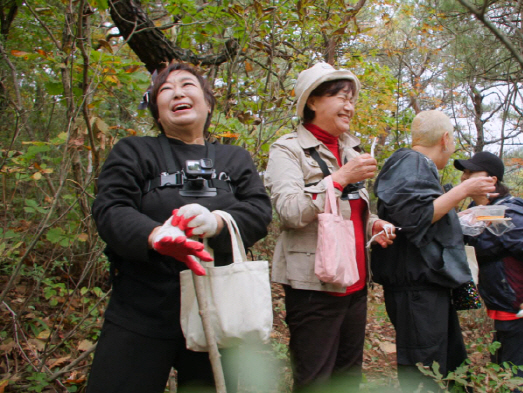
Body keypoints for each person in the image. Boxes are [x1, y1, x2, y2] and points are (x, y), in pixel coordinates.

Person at [88, 62, 272, 393]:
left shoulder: (235, 158)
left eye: (188, 85)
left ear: (208, 102)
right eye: (166, 89)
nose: (177, 92)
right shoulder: (133, 151)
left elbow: (259, 211)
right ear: (156, 109)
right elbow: (111, 207)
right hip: (141, 308)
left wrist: (217, 223)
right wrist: (155, 234)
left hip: (219, 312)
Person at [264, 62, 395, 392]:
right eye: (340, 96)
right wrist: (338, 178)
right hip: (314, 286)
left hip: (355, 282)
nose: (349, 105)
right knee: (315, 378)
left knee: (347, 377)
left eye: (351, 98)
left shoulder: (351, 148)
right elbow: (290, 211)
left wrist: (375, 223)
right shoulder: (287, 149)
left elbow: (349, 212)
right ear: (312, 101)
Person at [370, 110, 496, 391]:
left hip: (427, 290)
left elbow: (422, 217)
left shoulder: (419, 166)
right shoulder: (411, 162)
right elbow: (414, 218)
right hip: (416, 292)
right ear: (445, 139)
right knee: (425, 373)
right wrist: (463, 191)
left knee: (445, 368)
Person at [455, 151, 523, 387]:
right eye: (464, 172)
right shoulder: (474, 212)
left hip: (522, 306)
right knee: (502, 371)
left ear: (492, 180)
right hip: (501, 305)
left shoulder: (507, 213)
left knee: (514, 380)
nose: (464, 177)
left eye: (470, 172)